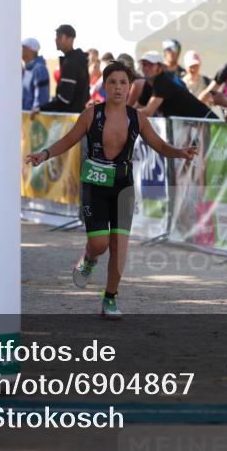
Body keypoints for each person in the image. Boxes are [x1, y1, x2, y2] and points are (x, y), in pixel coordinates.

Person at [24, 62, 197, 317]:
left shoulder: (138, 117)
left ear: (130, 87)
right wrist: (45, 154)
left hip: (123, 186)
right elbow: (69, 140)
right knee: (100, 242)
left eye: (123, 83)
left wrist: (180, 152)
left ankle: (110, 298)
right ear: (104, 86)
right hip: (95, 184)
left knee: (119, 245)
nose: (118, 87)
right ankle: (88, 257)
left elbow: (159, 145)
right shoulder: (92, 115)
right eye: (113, 82)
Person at [138, 51, 218, 119]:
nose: (146, 68)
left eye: (151, 65)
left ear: (160, 67)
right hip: (189, 123)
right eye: (144, 65)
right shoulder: (148, 83)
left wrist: (127, 112)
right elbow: (138, 107)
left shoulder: (162, 81)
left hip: (205, 120)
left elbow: (148, 112)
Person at [40, 24, 89, 114]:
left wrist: (41, 109)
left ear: (70, 39)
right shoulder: (77, 60)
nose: (56, 39)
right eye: (56, 36)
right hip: (76, 117)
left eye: (60, 36)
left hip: (70, 120)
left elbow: (64, 99)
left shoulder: (71, 62)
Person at [21, 37, 50, 110]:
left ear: (31, 50)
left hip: (33, 118)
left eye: (23, 47)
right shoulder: (26, 69)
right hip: (25, 117)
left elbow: (42, 96)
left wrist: (37, 109)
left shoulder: (39, 69)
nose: (21, 50)